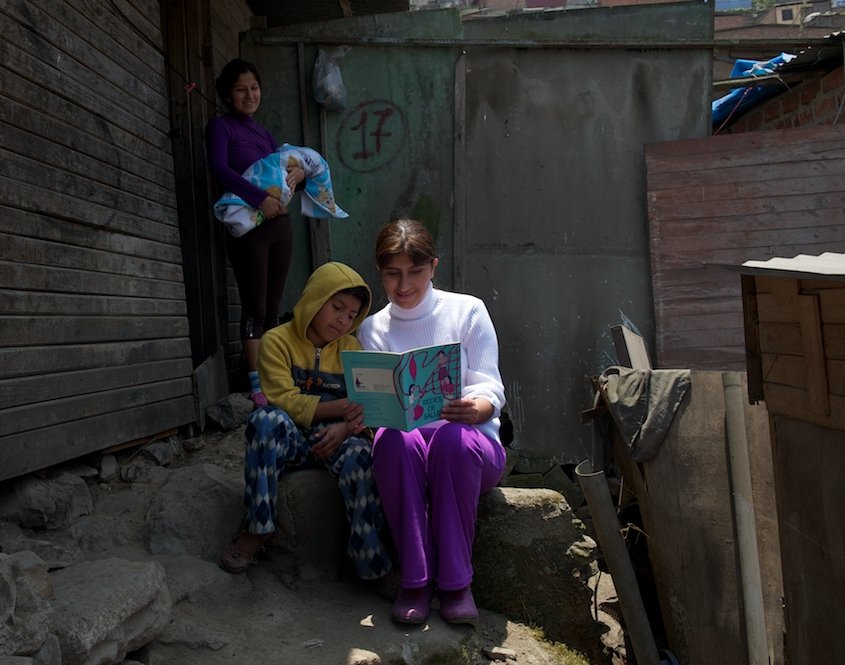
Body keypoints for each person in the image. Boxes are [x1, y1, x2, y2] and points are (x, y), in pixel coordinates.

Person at [349, 219, 507, 625]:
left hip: (471, 447)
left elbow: (491, 388)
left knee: (454, 441)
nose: (404, 285)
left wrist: (478, 408)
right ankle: (415, 582)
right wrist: (367, 412)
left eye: (415, 272)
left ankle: (457, 584)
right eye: (392, 274)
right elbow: (377, 405)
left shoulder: (467, 311)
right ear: (380, 273)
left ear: (433, 266)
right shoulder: (374, 329)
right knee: (391, 440)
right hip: (409, 449)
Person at [220, 261, 392, 582]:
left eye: (351, 315)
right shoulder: (276, 341)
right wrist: (341, 406)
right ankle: (258, 527)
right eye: (336, 307)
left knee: (362, 454)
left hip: (336, 441)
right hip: (291, 440)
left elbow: (364, 408)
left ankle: (369, 558)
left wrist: (345, 428)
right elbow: (282, 398)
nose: (342, 320)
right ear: (315, 298)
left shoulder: (352, 349)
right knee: (264, 420)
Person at [206, 58, 304, 408]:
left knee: (274, 307)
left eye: (254, 87)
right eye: (241, 89)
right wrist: (258, 198)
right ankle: (256, 383)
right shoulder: (221, 127)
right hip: (250, 227)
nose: (249, 95)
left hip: (279, 224)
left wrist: (298, 176)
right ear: (228, 95)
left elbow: (283, 166)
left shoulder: (263, 133)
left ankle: (274, 378)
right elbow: (219, 167)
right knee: (255, 307)